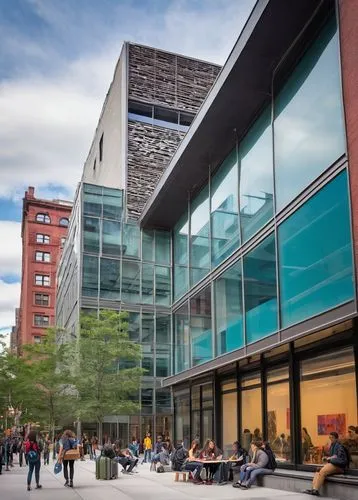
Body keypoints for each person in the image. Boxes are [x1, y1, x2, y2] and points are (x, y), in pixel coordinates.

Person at [303, 432, 349, 496]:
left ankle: (316, 490)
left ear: (336, 438)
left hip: (339, 466)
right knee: (318, 470)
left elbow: (341, 460)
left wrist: (330, 459)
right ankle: (313, 488)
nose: (330, 439)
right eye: (330, 437)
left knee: (323, 471)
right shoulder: (333, 445)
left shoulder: (339, 446)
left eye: (332, 437)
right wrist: (328, 458)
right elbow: (333, 456)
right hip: (334, 464)